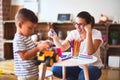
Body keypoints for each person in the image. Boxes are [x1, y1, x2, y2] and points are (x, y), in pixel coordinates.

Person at [48, 11, 103, 80]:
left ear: (88, 24)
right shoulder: (73, 33)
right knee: (56, 69)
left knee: (82, 77)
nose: (77, 27)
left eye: (81, 24)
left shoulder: (96, 33)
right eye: (76, 24)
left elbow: (90, 52)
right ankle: (74, 77)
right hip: (78, 65)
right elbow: (62, 48)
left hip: (93, 66)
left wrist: (89, 32)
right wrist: (55, 37)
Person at [13, 8, 50, 80]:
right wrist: (38, 48)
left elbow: (33, 47)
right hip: (25, 75)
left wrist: (42, 44)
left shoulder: (26, 37)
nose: (32, 31)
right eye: (30, 28)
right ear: (20, 25)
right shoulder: (18, 39)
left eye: (33, 28)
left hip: (33, 73)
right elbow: (23, 56)